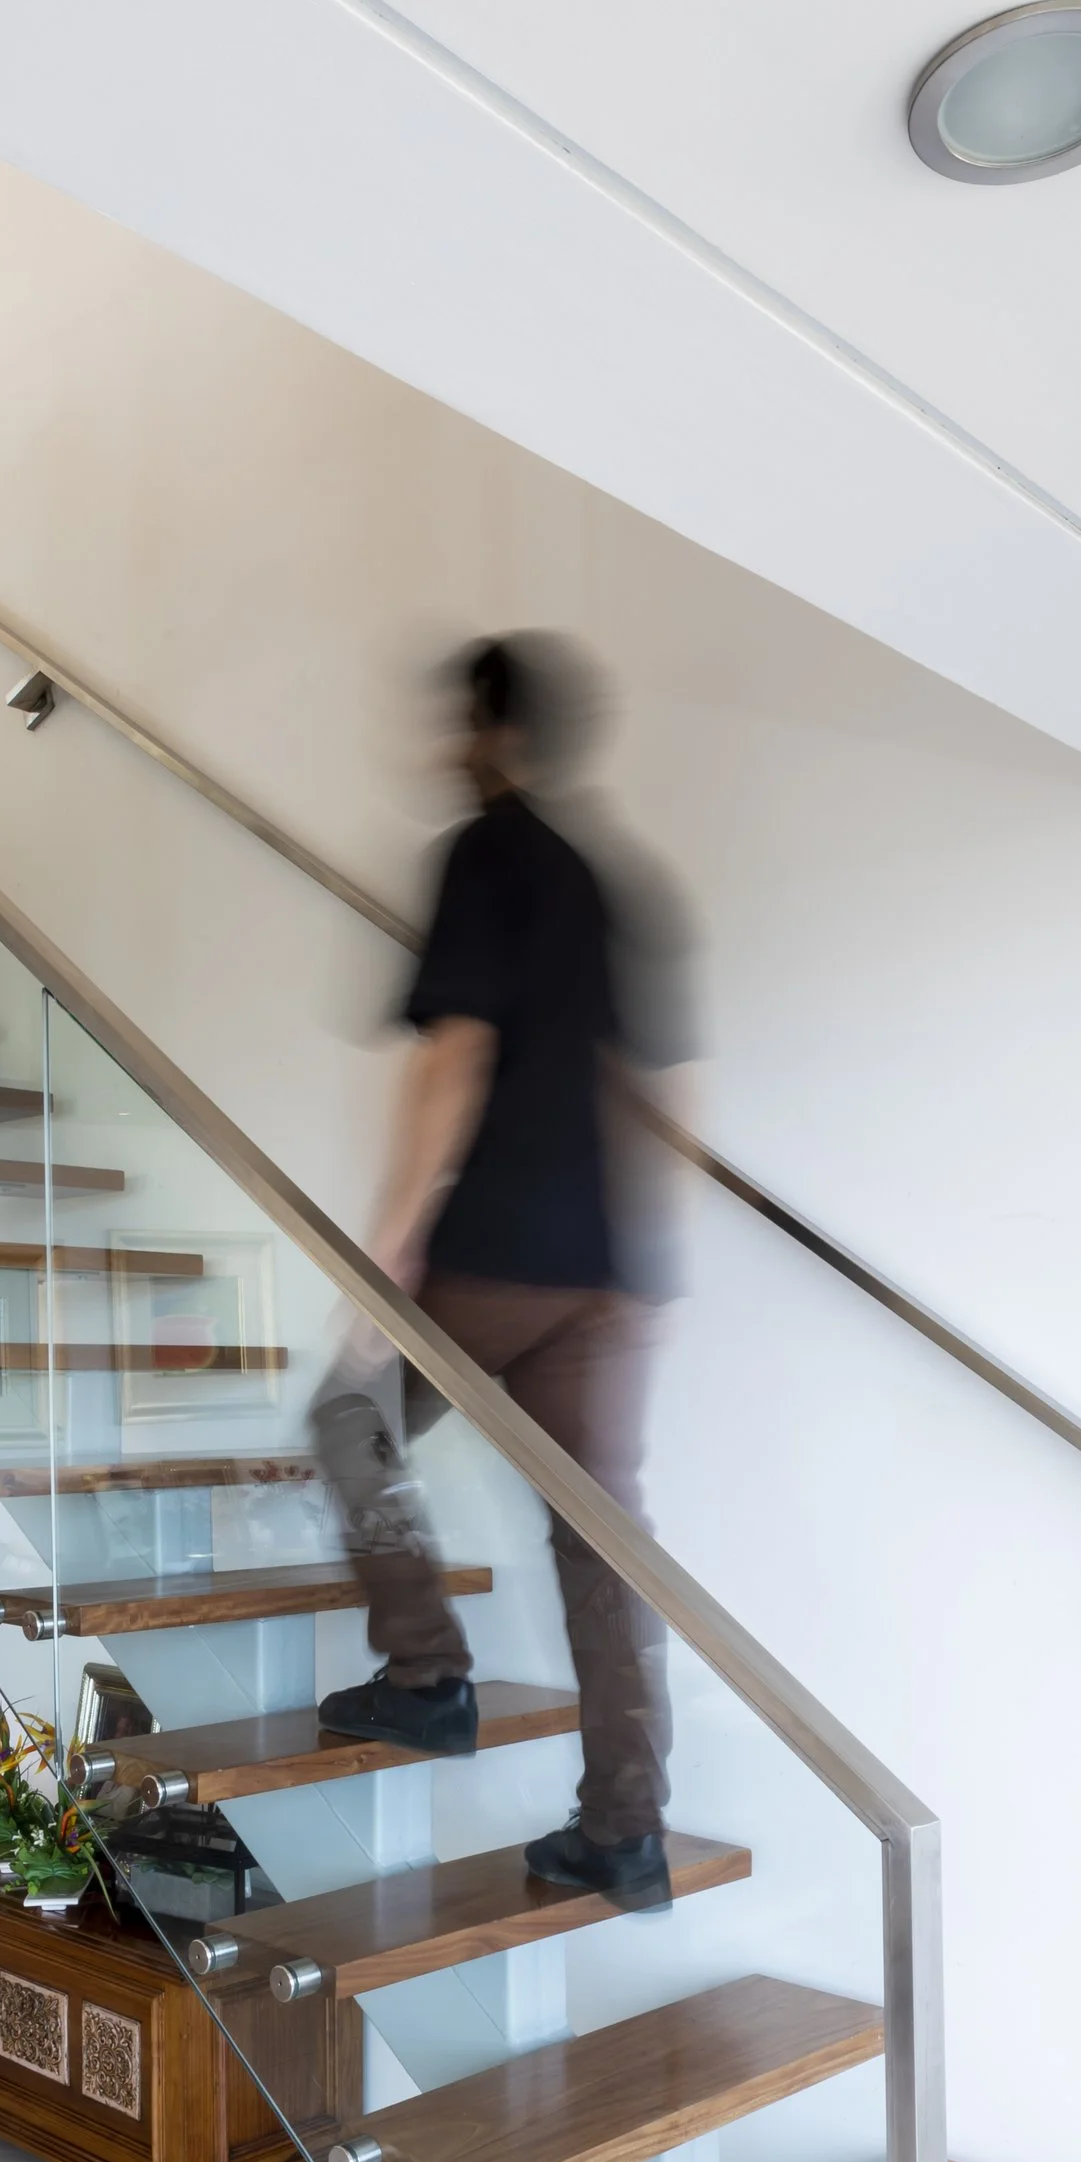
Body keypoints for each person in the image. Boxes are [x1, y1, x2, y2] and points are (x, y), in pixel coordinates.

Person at [311, 632, 689, 1911]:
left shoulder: (489, 850)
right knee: (599, 1548)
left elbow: (456, 1053)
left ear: (501, 736)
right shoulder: (607, 883)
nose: (449, 748)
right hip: (604, 1270)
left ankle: (424, 1673)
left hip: (500, 1247)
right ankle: (624, 1832)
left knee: (351, 1416)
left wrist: (391, 1241)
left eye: (464, 725)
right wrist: (636, 1266)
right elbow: (639, 1088)